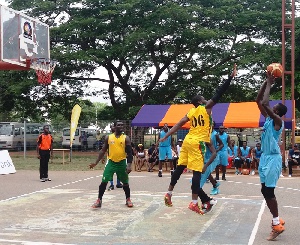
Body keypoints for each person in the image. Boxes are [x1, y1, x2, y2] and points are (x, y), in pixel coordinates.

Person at [160, 63, 237, 214]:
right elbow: (219, 93)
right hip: (197, 143)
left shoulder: (191, 112)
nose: (206, 99)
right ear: (200, 102)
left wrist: (166, 136)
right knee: (196, 172)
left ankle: (169, 193)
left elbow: (178, 124)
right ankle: (194, 202)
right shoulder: (205, 109)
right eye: (203, 99)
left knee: (180, 167)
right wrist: (230, 77)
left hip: (188, 140)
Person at [256, 71, 287, 241]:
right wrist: (265, 82)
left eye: (274, 108)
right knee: (264, 190)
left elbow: (265, 102)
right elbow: (259, 100)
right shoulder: (268, 119)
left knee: (269, 191)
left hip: (273, 158)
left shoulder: (278, 122)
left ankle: (276, 224)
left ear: (277, 112)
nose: (270, 107)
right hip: (265, 158)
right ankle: (278, 220)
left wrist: (270, 82)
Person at [89, 120, 134, 208]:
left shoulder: (126, 138)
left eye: (122, 125)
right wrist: (96, 162)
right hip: (111, 162)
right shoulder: (108, 137)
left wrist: (129, 165)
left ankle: (128, 199)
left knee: (125, 182)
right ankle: (99, 200)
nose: (121, 126)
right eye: (119, 125)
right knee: (104, 181)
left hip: (122, 162)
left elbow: (129, 153)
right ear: (114, 126)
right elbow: (103, 150)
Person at [202, 121, 224, 195]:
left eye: (211, 125)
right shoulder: (205, 134)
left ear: (213, 126)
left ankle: (215, 186)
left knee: (207, 171)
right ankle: (215, 183)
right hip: (205, 155)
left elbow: (221, 144)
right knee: (205, 171)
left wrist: (216, 150)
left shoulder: (215, 134)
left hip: (212, 155)